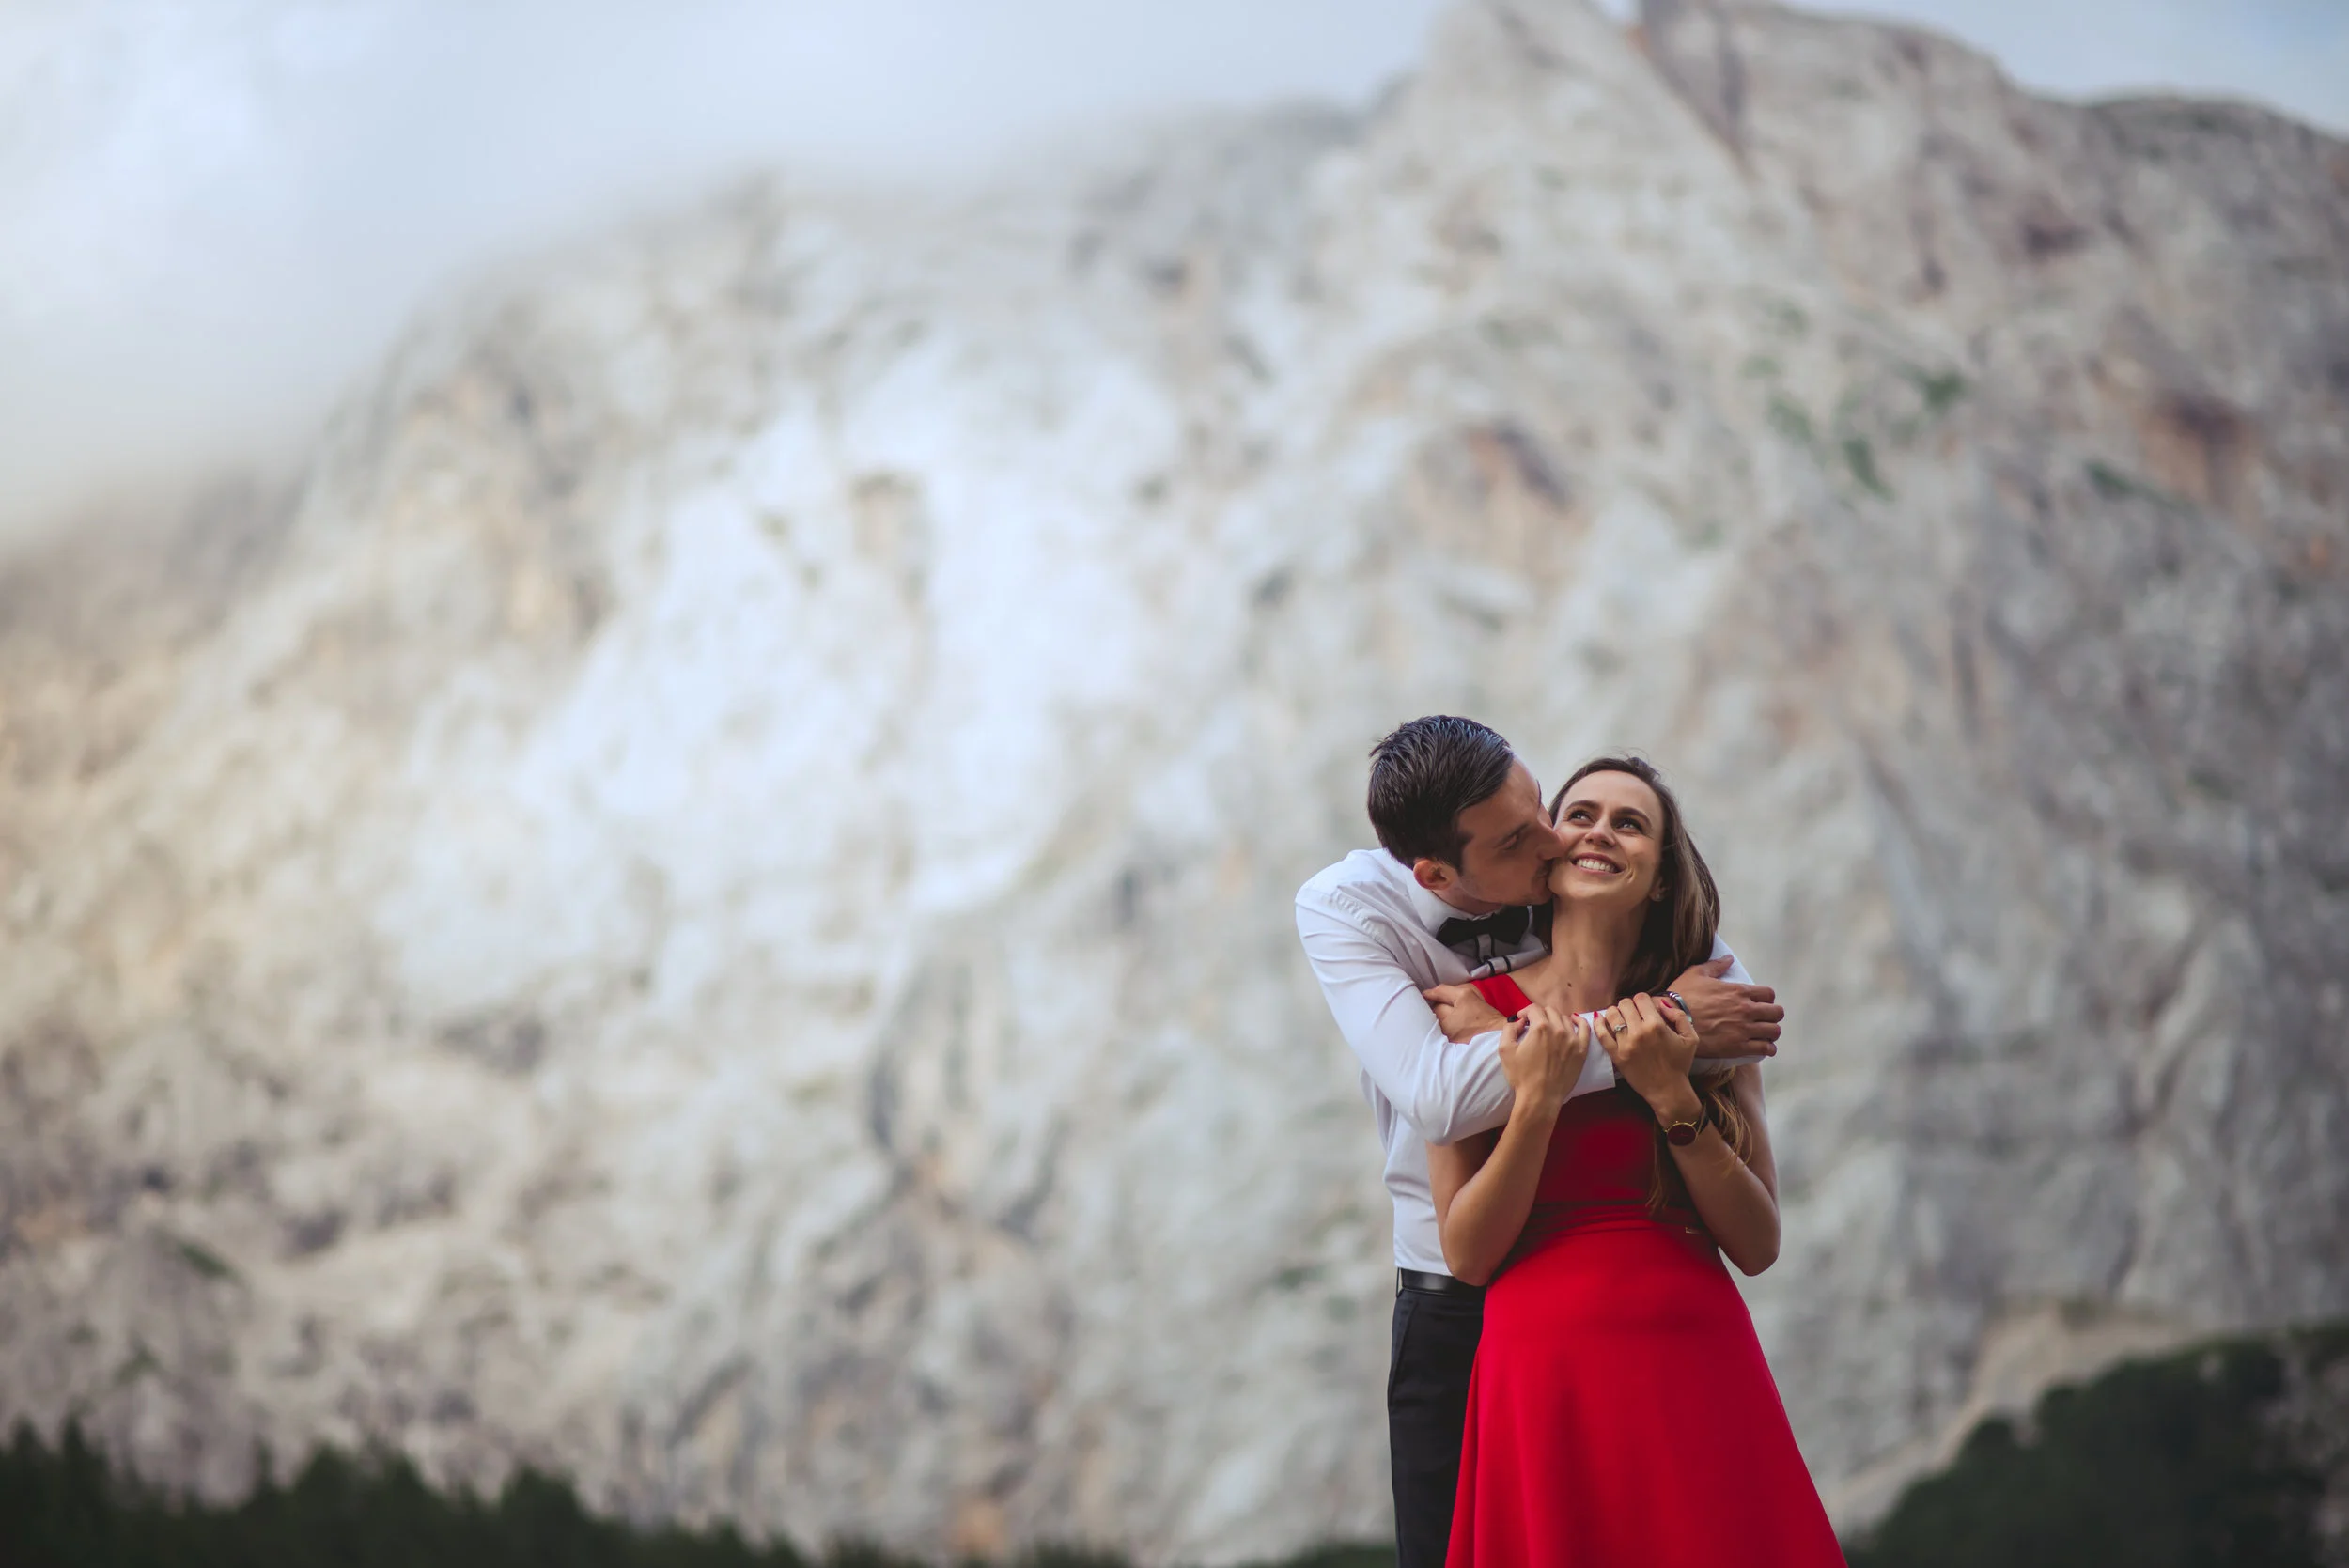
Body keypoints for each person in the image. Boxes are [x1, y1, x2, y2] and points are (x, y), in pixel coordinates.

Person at [1294, 716, 1785, 1568]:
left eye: (1540, 806)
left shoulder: (1588, 873)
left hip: (1662, 1324)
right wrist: (1647, 1028)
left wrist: (1660, 1035)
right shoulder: (1346, 909)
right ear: (1438, 874)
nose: (1560, 838)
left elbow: (1731, 1014)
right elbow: (1440, 1097)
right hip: (1459, 1298)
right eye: (1526, 836)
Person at [1431, 754, 1843, 1566]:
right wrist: (1539, 1098)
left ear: (1660, 876)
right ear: (1548, 851)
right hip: (1543, 1370)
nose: (1600, 833)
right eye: (1580, 814)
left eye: (1630, 822)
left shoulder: (1712, 1015)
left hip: (1695, 1355)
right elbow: (1468, 1253)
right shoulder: (1476, 1011)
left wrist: (1673, 1097)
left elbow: (1758, 1245)